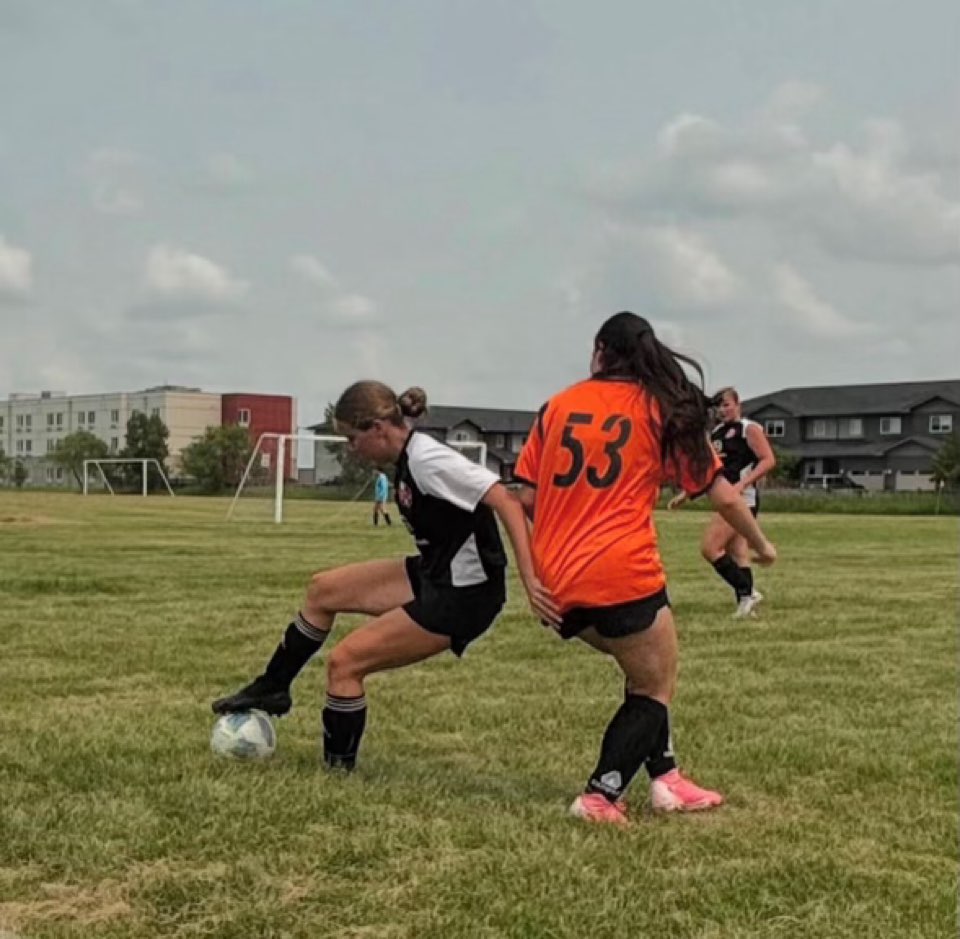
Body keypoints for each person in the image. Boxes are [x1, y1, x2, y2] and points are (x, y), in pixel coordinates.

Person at [512, 311, 776, 826]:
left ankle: (666, 779)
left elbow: (526, 497)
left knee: (644, 670)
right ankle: (601, 795)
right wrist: (761, 544)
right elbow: (724, 496)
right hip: (621, 571)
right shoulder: (661, 409)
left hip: (557, 577)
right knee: (654, 686)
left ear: (600, 351)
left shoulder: (557, 405)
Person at [212, 382, 557, 773]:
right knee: (323, 590)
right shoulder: (408, 457)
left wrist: (531, 580)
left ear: (377, 428)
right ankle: (274, 686)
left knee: (345, 663)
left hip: (464, 597)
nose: (350, 448)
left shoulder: (427, 459)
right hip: (436, 574)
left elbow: (506, 500)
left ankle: (337, 774)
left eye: (352, 438)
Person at [669, 386, 776, 618]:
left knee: (710, 548)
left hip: (742, 499)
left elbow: (768, 460)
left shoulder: (748, 428)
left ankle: (748, 592)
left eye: (727, 405)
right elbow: (710, 471)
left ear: (738, 405)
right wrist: (687, 493)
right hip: (726, 497)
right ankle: (745, 605)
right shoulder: (716, 433)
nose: (722, 410)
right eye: (719, 406)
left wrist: (743, 484)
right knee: (737, 552)